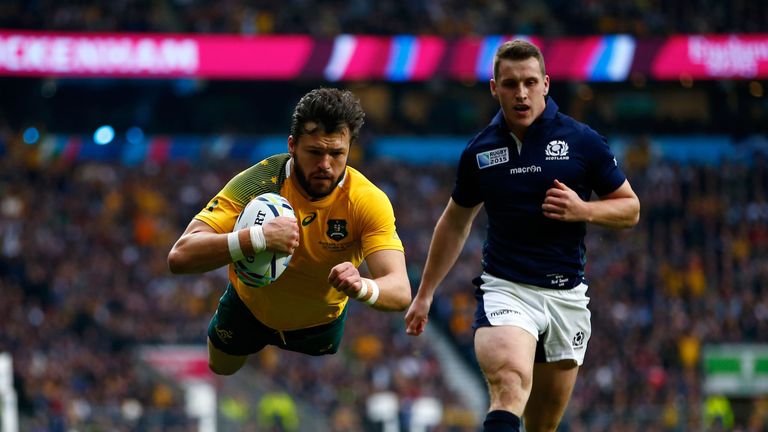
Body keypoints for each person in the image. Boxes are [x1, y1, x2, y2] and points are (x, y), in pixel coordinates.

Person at [404, 40, 640, 432]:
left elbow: (630, 208)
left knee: (542, 424)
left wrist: (585, 210)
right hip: (506, 289)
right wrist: (426, 292)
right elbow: (454, 222)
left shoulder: (582, 141)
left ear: (546, 84)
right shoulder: (479, 152)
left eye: (530, 82)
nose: (521, 93)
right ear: (494, 88)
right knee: (509, 386)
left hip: (566, 295)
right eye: (510, 84)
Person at [168, 87, 411, 375]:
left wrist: (362, 287)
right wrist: (257, 237)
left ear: (350, 150)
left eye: (336, 153)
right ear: (292, 145)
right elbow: (179, 257)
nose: (325, 164)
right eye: (314, 152)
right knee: (221, 367)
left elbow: (400, 291)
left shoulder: (367, 200)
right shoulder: (258, 182)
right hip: (249, 308)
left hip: (318, 325)